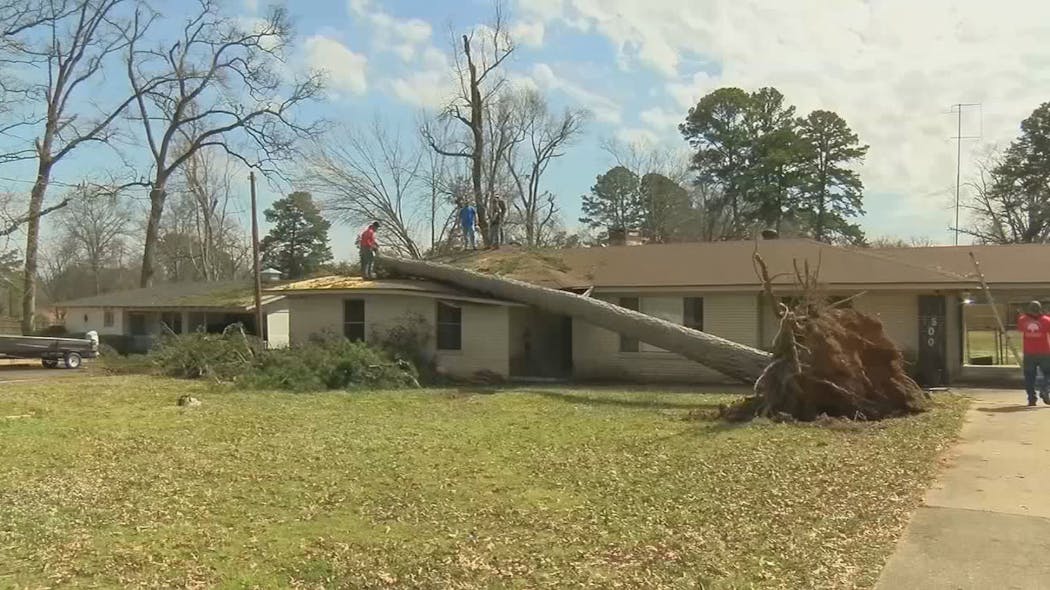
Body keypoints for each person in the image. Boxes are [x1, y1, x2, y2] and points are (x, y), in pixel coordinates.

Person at [1017, 300, 1050, 406]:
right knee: (1047, 373)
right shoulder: (1047, 320)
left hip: (1029, 352)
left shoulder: (1022, 320)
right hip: (1044, 352)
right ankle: (1044, 389)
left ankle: (1031, 398)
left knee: (1029, 376)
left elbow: (1021, 330)